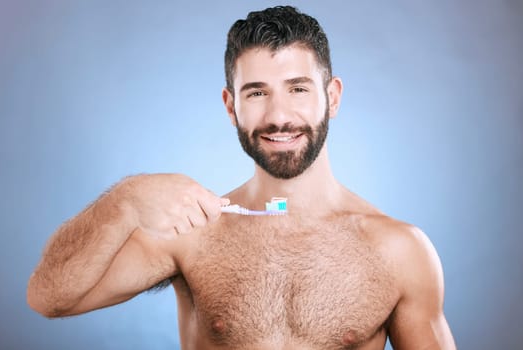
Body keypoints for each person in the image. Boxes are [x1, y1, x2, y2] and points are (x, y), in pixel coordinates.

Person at [27, 6, 456, 350]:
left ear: (332, 97)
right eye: (257, 92)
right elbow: (48, 297)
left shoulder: (400, 251)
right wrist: (124, 199)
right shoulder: (193, 232)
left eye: (298, 88)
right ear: (231, 106)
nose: (279, 116)